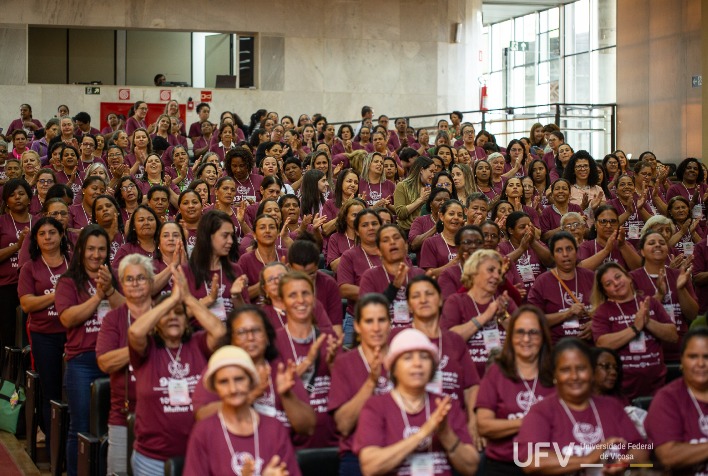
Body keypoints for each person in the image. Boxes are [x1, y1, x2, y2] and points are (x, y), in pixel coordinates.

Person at [127, 265, 225, 475]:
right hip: (152, 460)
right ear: (156, 321)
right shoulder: (148, 349)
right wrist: (172, 300)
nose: (173, 317)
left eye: (178, 314)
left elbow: (219, 332)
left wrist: (187, 298)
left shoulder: (198, 344)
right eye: (166, 314)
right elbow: (135, 333)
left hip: (197, 455)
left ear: (187, 320)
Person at [353, 328, 479, 476]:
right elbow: (370, 467)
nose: (417, 363)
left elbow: (471, 467)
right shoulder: (376, 407)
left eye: (424, 357)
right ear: (393, 368)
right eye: (407, 358)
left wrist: (446, 434)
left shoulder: (445, 405)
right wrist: (423, 433)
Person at [515, 338, 650, 473]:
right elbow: (532, 461)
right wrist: (589, 459)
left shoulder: (612, 407)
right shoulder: (541, 412)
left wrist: (624, 462)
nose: (574, 376)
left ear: (592, 373)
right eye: (565, 370)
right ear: (555, 375)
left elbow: (640, 449)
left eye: (581, 368)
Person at [55, 225, 125, 476]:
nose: (96, 255)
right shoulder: (68, 281)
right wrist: (97, 297)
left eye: (102, 249)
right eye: (91, 249)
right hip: (82, 362)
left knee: (113, 427)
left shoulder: (114, 276)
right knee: (81, 427)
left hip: (115, 361)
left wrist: (111, 291)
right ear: (82, 250)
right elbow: (68, 319)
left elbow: (129, 313)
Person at [184, 344, 301, 476]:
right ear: (215, 388)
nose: (233, 389)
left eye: (239, 379)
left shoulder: (274, 428)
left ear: (251, 382)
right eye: (223, 382)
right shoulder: (204, 432)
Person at [475, 306, 556, 475]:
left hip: (548, 465)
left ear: (543, 337)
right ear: (511, 337)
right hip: (503, 466)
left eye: (533, 332)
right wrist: (529, 421)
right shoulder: (496, 372)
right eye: (520, 332)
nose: (526, 339)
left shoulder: (555, 374)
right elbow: (484, 426)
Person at [398, 276, 481, 432]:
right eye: (416, 296)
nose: (423, 300)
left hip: (455, 423)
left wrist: (473, 422)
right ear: (409, 306)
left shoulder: (455, 340)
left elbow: (471, 387)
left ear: (441, 300)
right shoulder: (398, 338)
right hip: (409, 424)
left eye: (429, 294)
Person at [95, 254, 153, 474]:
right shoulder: (114, 319)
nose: (135, 283)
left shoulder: (163, 315)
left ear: (151, 281)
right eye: (129, 279)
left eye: (141, 278)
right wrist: (140, 345)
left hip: (161, 415)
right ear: (121, 284)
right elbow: (105, 362)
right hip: (123, 413)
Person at [18, 216, 70, 452]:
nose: (48, 237)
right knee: (50, 390)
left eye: (52, 232)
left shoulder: (73, 263)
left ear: (61, 236)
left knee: (71, 390)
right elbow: (27, 304)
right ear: (36, 240)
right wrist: (58, 294)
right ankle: (52, 446)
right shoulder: (31, 267)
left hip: (75, 335)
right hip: (44, 336)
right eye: (42, 234)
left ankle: (69, 444)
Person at [273, 271, 341, 449]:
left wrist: (335, 365)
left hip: (330, 441)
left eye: (305, 293)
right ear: (281, 301)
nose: (300, 300)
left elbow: (344, 391)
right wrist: (305, 366)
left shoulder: (329, 338)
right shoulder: (272, 342)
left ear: (314, 297)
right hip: (288, 444)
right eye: (292, 295)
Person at [591, 262, 678, 399]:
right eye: (608, 284)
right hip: (621, 390)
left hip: (656, 386)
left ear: (629, 277)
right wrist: (635, 328)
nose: (616, 283)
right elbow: (602, 343)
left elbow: (673, 335)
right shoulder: (603, 311)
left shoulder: (650, 303)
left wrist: (648, 322)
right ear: (605, 292)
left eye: (618, 277)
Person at [327, 293, 393, 475]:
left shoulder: (403, 359)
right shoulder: (345, 363)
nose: (376, 328)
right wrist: (371, 382)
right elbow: (344, 425)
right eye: (369, 321)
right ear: (357, 326)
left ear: (390, 324)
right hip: (357, 454)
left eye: (382, 320)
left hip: (399, 449)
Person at [441, 249, 516, 377]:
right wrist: (486, 316)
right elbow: (448, 340)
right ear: (474, 272)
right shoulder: (456, 302)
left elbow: (523, 338)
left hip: (505, 376)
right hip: (467, 377)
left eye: (499, 272)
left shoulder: (505, 302)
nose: (497, 276)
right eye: (490, 270)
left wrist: (503, 316)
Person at [645, 327, 708, 474]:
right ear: (682, 360)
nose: (700, 363)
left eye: (707, 357)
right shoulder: (667, 399)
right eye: (693, 357)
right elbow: (669, 455)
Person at [630, 229, 697, 361]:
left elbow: (692, 314)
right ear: (642, 252)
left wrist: (681, 289)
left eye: (662, 242)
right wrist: (659, 296)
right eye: (651, 243)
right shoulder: (632, 278)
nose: (658, 245)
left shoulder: (679, 275)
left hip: (680, 349)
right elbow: (632, 317)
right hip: (648, 351)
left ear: (667, 249)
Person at [527, 231, 593, 344]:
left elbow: (607, 309)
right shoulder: (542, 282)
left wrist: (595, 323)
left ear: (576, 251)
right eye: (559, 250)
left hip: (589, 346)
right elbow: (534, 319)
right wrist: (567, 313)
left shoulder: (591, 277)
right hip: (556, 348)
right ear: (552, 255)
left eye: (569, 249)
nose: (565, 254)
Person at [184, 210, 248, 322]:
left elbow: (246, 317)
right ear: (208, 236)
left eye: (232, 236)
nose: (230, 241)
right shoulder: (186, 272)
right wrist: (209, 300)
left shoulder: (236, 270)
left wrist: (236, 296)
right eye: (225, 235)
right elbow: (178, 317)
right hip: (198, 335)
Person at [359, 224, 425, 327]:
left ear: (406, 245)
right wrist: (394, 287)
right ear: (378, 251)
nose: (392, 242)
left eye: (396, 238)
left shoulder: (419, 274)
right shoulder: (370, 277)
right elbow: (368, 314)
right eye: (386, 240)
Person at [338, 209, 383, 347]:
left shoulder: (393, 252)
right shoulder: (349, 256)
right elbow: (344, 289)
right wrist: (381, 293)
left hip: (392, 318)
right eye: (365, 225)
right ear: (356, 231)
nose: (371, 228)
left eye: (374, 223)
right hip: (357, 319)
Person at [0, 179, 33, 349]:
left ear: (29, 197)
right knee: (7, 332)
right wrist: (17, 246)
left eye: (21, 194)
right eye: (12, 195)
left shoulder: (39, 221)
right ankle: (6, 373)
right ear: (6, 202)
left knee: (31, 335)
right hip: (7, 286)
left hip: (35, 287)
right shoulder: (2, 221)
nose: (17, 198)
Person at [288, 239, 344, 335]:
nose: (305, 280)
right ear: (289, 267)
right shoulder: (279, 286)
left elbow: (336, 327)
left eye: (311, 274)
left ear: (317, 266)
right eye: (299, 274)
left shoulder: (329, 284)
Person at [577, 205, 641, 271]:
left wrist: (623, 246)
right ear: (595, 224)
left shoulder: (625, 245)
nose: (608, 226)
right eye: (603, 221)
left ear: (618, 224)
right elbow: (579, 271)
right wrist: (606, 250)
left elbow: (640, 270)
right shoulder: (586, 247)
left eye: (613, 221)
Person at [419, 199, 465, 278]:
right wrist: (454, 262)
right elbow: (429, 275)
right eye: (451, 214)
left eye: (460, 215)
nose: (456, 217)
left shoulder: (467, 242)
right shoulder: (430, 243)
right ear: (441, 216)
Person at [438, 225, 484, 299]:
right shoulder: (448, 275)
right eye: (467, 242)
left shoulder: (489, 271)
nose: (473, 246)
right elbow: (449, 305)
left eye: (478, 242)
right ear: (458, 247)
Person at [393, 156, 435, 232]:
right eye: (431, 171)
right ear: (422, 170)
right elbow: (400, 213)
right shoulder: (402, 186)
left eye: (434, 172)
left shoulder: (431, 188)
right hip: (407, 231)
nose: (433, 175)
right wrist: (420, 200)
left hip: (427, 231)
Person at [112, 205, 159, 269]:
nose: (146, 223)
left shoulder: (164, 247)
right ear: (133, 226)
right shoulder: (125, 250)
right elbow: (115, 276)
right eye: (141, 220)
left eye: (150, 219)